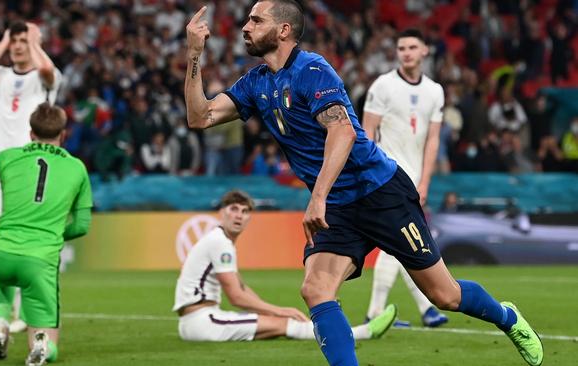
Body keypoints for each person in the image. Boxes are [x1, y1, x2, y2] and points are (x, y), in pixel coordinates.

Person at [184, 2, 543, 365]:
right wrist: (194, 56)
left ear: (283, 31)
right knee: (315, 289)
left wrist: (317, 196)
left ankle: (507, 317)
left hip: (381, 192)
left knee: (445, 295)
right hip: (339, 208)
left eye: (256, 20)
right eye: (246, 19)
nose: (245, 27)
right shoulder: (256, 82)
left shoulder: (312, 69)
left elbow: (341, 131)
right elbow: (200, 117)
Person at [0, 103, 92, 366]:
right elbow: (83, 225)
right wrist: (53, 233)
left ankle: (0, 323)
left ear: (30, 133)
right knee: (46, 334)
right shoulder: (77, 168)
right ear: (63, 135)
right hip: (39, 260)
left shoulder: (8, 157)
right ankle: (41, 346)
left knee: (8, 271)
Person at [173, 190, 397, 342]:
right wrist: (281, 311)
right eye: (233, 209)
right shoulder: (220, 242)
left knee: (278, 325)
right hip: (203, 321)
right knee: (285, 324)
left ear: (250, 217)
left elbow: (240, 288)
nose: (239, 216)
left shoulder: (218, 240)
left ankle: (345, 333)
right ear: (221, 212)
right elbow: (236, 297)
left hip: (197, 321)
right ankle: (360, 333)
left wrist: (272, 311)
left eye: (244, 211)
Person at [0, 21, 62, 333]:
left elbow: (48, 71)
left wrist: (36, 42)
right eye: (16, 42)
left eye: (24, 40)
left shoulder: (45, 77)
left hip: (30, 169)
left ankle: (26, 310)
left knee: (27, 235)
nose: (19, 46)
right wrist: (3, 41)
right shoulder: (2, 76)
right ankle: (6, 311)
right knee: (1, 236)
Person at [362, 29, 448, 328]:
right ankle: (421, 310)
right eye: (401, 47)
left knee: (399, 244)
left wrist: (424, 181)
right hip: (386, 176)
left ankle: (409, 310)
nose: (406, 52)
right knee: (400, 241)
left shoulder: (435, 91)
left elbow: (433, 140)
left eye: (413, 46)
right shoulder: (383, 86)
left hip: (414, 179)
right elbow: (367, 132)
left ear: (425, 50)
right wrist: (367, 173)